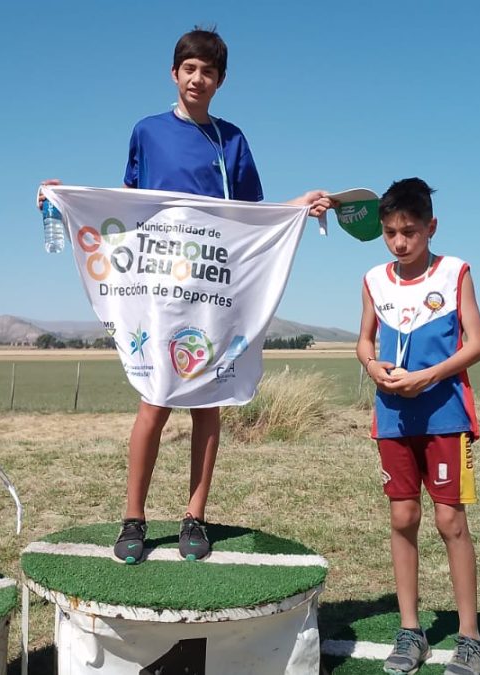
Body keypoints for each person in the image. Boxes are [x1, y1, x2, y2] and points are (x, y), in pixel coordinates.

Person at [40, 27, 330, 564]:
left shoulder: (232, 140)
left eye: (209, 72)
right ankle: (134, 519)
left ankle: (194, 518)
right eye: (190, 69)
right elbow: (127, 203)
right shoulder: (146, 132)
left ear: (220, 81)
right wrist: (66, 199)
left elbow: (252, 216)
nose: (198, 79)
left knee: (208, 406)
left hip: (213, 293)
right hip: (160, 293)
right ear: (174, 74)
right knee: (153, 401)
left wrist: (298, 204)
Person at [355, 178, 480, 675]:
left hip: (445, 415)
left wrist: (429, 375)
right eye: (390, 232)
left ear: (431, 227)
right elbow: (364, 341)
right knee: (402, 518)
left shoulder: (455, 272)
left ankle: (469, 637)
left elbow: (477, 342)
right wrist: (373, 368)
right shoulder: (373, 279)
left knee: (450, 521)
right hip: (392, 417)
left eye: (409, 231)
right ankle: (410, 630)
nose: (399, 241)